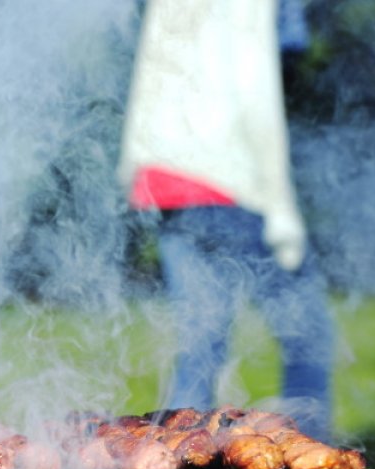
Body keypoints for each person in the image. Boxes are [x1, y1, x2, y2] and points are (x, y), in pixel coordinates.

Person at [117, 0, 335, 440]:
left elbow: (152, 67)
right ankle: (311, 453)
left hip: (164, 178)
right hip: (227, 179)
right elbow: (258, 90)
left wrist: (133, 162)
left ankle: (175, 465)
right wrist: (280, 206)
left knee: (201, 343)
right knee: (308, 334)